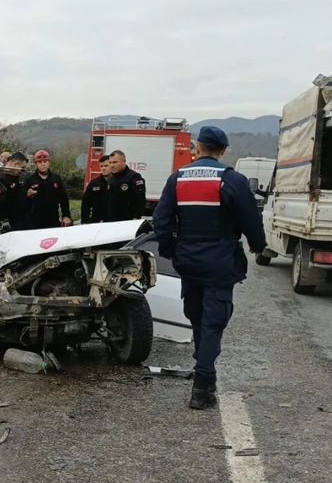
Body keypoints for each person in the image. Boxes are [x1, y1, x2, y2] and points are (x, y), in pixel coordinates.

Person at [153, 126, 266, 410]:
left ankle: (205, 369)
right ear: (223, 151)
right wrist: (257, 245)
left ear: (197, 147)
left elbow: (162, 222)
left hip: (188, 262)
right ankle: (202, 386)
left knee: (196, 314)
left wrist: (170, 252)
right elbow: (251, 219)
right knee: (214, 321)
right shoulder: (232, 180)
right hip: (220, 262)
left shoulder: (177, 179)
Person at [25, 149, 71, 229]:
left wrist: (66, 216)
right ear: (36, 163)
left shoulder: (56, 178)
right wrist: (27, 195)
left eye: (45, 161)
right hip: (35, 222)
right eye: (40, 162)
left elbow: (64, 199)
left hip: (53, 220)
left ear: (49, 162)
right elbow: (23, 202)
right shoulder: (29, 180)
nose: (43, 164)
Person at [0, 152, 31, 233]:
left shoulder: (20, 176)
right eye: (22, 167)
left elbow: (19, 194)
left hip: (24, 219)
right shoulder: (1, 179)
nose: (22, 170)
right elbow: (0, 203)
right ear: (16, 164)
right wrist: (4, 222)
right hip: (11, 221)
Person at [106, 150, 145, 221]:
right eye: (110, 162)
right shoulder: (111, 179)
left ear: (124, 161)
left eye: (115, 162)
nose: (112, 165)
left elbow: (140, 199)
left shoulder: (134, 177)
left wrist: (136, 217)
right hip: (111, 220)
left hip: (127, 220)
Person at [81, 154, 112, 224]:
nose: (103, 168)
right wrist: (84, 221)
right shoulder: (94, 183)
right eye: (101, 166)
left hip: (114, 221)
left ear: (111, 166)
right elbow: (86, 203)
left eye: (106, 166)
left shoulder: (118, 182)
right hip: (96, 221)